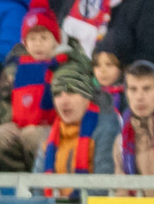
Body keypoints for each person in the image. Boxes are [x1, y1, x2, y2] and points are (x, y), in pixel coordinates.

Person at [0, 1, 68, 171]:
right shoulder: (14, 66)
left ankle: (40, 176)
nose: (37, 44)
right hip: (19, 125)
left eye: (44, 38)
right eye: (32, 39)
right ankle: (21, 175)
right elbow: (3, 100)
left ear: (55, 41)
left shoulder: (63, 66)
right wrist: (9, 121)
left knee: (32, 137)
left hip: (51, 127)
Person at [34, 48, 119, 181]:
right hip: (53, 201)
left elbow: (103, 186)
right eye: (57, 94)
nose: (63, 101)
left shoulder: (106, 127)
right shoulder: (50, 135)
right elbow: (36, 186)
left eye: (71, 92)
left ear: (87, 97)